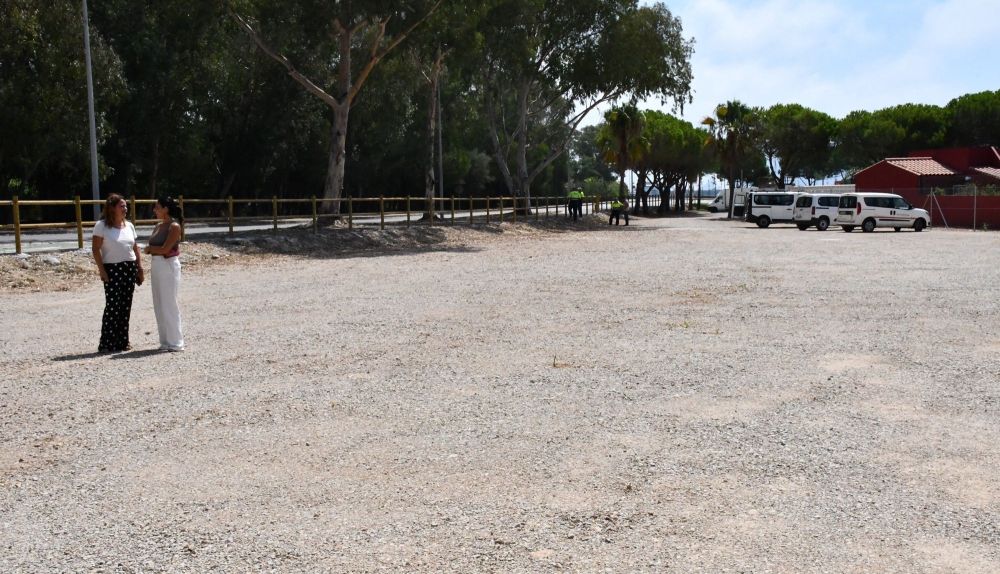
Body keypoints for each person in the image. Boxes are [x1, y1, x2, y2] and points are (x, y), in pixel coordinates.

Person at [93, 194, 143, 353]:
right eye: (121, 206)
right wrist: (102, 271)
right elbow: (95, 249)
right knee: (112, 306)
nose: (125, 208)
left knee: (125, 306)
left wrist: (139, 268)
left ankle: (123, 341)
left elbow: (135, 248)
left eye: (125, 206)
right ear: (112, 208)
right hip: (112, 269)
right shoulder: (101, 226)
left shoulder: (129, 226)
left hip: (129, 268)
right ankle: (107, 343)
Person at [144, 196, 185, 352]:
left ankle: (176, 342)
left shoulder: (174, 226)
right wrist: (152, 250)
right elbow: (155, 247)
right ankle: (165, 341)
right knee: (159, 303)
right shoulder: (158, 226)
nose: (155, 210)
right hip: (156, 265)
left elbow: (165, 249)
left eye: (157, 207)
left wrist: (150, 249)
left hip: (168, 264)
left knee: (169, 303)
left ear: (166, 209)